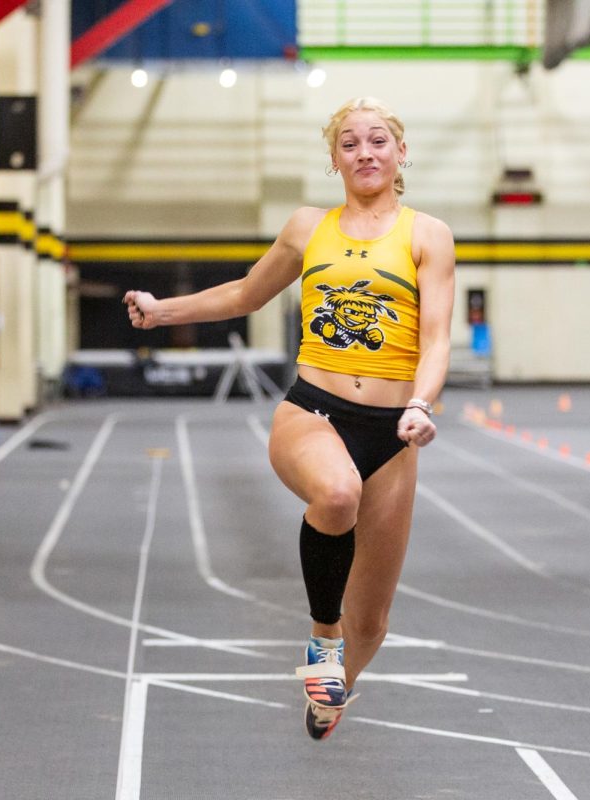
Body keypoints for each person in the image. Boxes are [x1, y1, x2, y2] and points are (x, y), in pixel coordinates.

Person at [123, 97, 456, 741]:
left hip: (392, 433)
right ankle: (321, 639)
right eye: (351, 143)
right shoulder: (308, 227)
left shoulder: (427, 235)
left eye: (378, 141)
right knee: (336, 494)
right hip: (314, 412)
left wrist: (421, 402)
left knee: (374, 622)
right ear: (334, 160)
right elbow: (246, 293)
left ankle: (335, 688)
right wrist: (163, 311)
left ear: (400, 152)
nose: (366, 152)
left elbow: (437, 337)